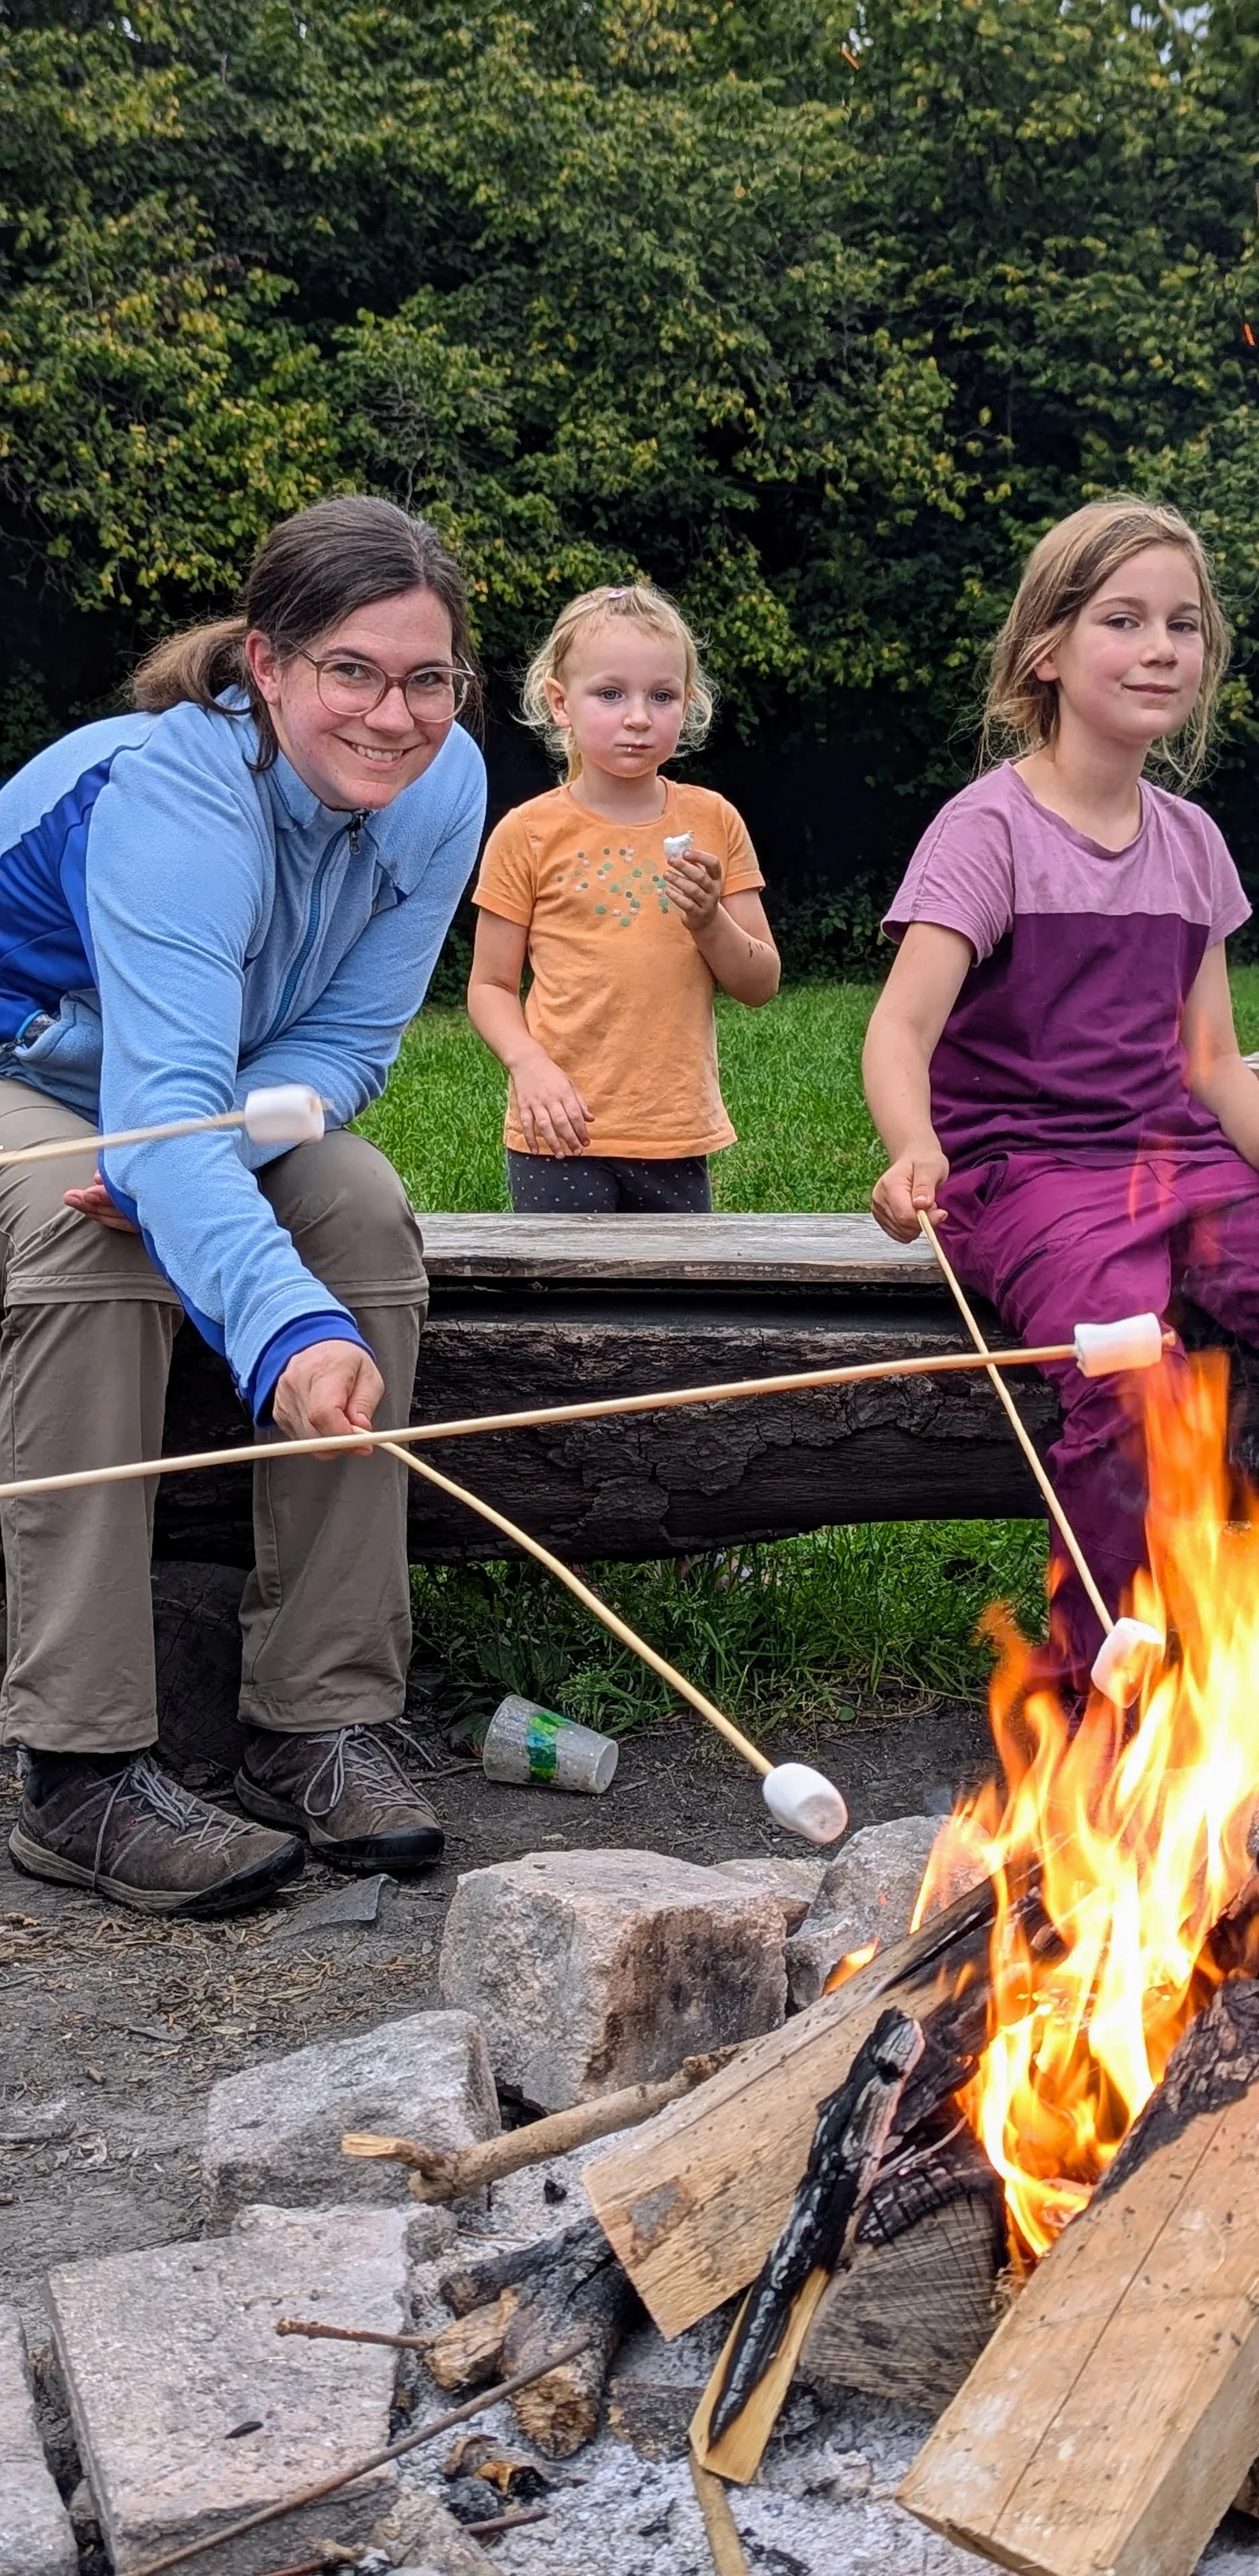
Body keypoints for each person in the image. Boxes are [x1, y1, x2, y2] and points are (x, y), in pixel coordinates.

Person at [863, 496, 1259, 1689]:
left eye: (1183, 624)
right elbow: (900, 1027)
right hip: (1025, 1178)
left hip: (1182, 1165)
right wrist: (913, 1149)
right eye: (1123, 619)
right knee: (1137, 1386)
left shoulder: (1192, 842)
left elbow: (1213, 1058)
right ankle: (1100, 1686)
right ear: (1048, 649)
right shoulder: (990, 831)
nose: (1160, 646)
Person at [0, 494, 486, 1913]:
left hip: (188, 1085)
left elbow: (350, 1041)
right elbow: (161, 1111)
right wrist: (275, 1324)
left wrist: (202, 1165)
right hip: (23, 1074)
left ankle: (319, 1712)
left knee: (360, 1204)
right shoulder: (173, 792)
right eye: (352, 670)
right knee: (78, 1245)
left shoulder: (444, 782)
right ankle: (78, 1769)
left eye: (427, 677)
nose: (394, 715)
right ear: (267, 666)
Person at [468, 581, 779, 1214]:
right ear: (561, 703)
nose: (639, 716)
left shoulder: (714, 821)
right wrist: (528, 1065)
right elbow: (491, 986)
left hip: (674, 1135)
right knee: (568, 1307)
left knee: (669, 1308)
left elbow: (761, 982)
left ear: (685, 706)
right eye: (611, 694)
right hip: (556, 1129)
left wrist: (708, 919)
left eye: (661, 696)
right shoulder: (526, 834)